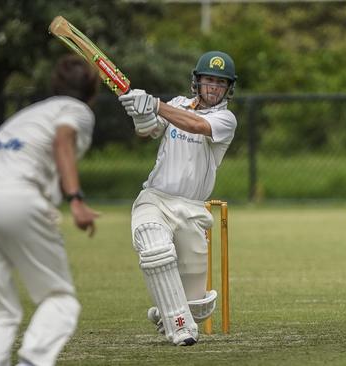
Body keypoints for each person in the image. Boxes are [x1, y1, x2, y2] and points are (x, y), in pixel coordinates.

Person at [0, 55, 100, 365]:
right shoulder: (77, 110)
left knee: (0, 311)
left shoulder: (32, 112)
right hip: (16, 196)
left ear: (56, 84)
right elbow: (62, 140)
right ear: (92, 91)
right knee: (60, 300)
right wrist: (75, 199)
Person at [117, 51, 237, 346]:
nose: (213, 87)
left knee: (198, 307)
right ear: (196, 82)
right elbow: (147, 132)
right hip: (156, 198)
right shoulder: (176, 105)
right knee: (153, 245)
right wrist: (142, 112)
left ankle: (170, 312)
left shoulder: (225, 119)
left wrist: (156, 104)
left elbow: (195, 125)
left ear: (228, 88)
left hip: (193, 210)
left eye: (220, 83)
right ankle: (178, 326)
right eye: (208, 80)